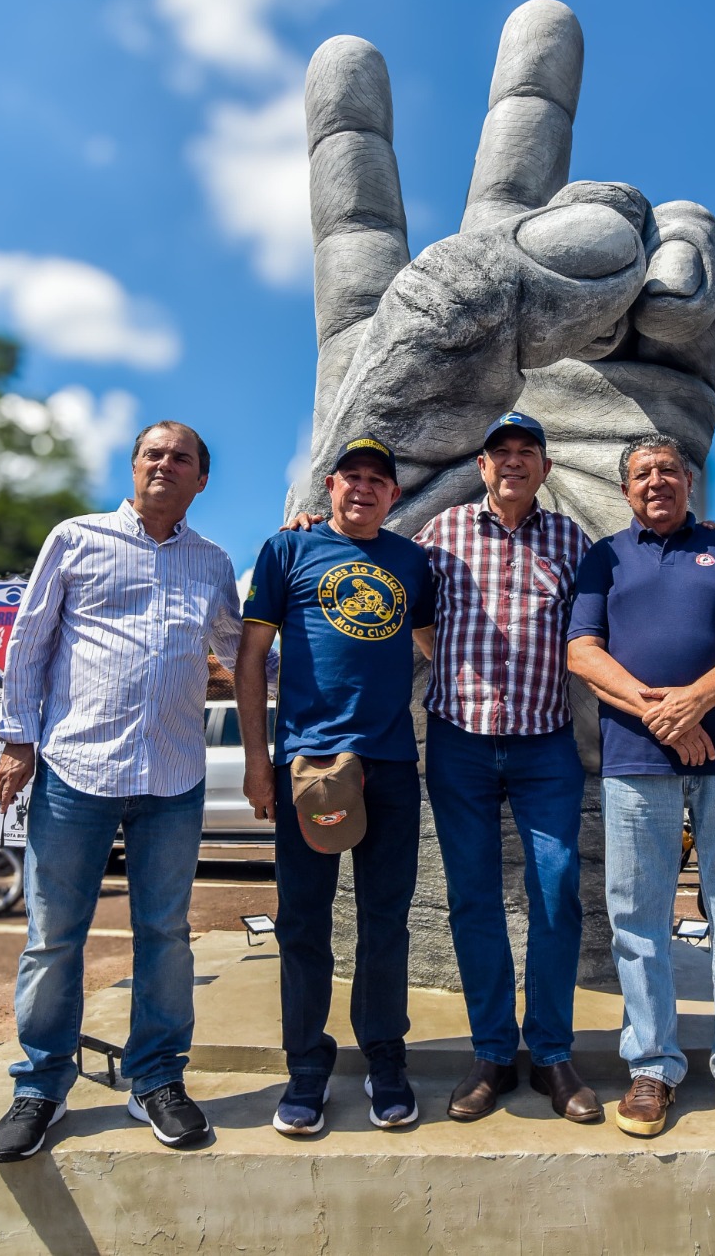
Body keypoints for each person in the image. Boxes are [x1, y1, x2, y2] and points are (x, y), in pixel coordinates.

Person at [0, 422, 241, 1164]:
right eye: (152, 454)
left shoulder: (213, 563)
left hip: (172, 775)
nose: (165, 464)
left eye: (181, 457)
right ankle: (41, 1085)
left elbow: (239, 652)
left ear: (201, 479)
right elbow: (29, 640)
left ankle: (155, 1077)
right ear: (133, 468)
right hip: (74, 770)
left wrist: (339, 680)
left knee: (166, 934)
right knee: (54, 935)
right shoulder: (76, 537)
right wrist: (15, 739)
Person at [567, 432, 715, 1147]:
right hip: (635, 761)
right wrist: (663, 714)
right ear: (626, 489)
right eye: (642, 473)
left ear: (688, 480)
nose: (656, 480)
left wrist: (694, 701)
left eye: (668, 469)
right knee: (637, 920)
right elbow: (581, 650)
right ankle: (653, 1065)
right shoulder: (604, 556)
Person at [235, 435, 436, 1136]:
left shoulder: (412, 562)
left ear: (394, 495)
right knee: (303, 921)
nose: (364, 488)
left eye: (378, 480)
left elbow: (437, 644)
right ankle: (307, 1066)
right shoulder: (287, 551)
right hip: (310, 765)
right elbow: (251, 657)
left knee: (386, 922)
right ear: (330, 484)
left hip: (389, 765)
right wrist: (259, 760)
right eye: (353, 476)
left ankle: (385, 1059)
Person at [416, 413, 602, 1123]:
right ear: (483, 466)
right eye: (501, 452)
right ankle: (493, 1050)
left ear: (544, 469)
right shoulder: (442, 533)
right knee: (473, 898)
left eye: (528, 452)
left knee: (556, 893)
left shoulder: (570, 541)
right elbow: (412, 609)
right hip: (459, 740)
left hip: (545, 742)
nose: (514, 462)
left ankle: (552, 1051)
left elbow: (591, 630)